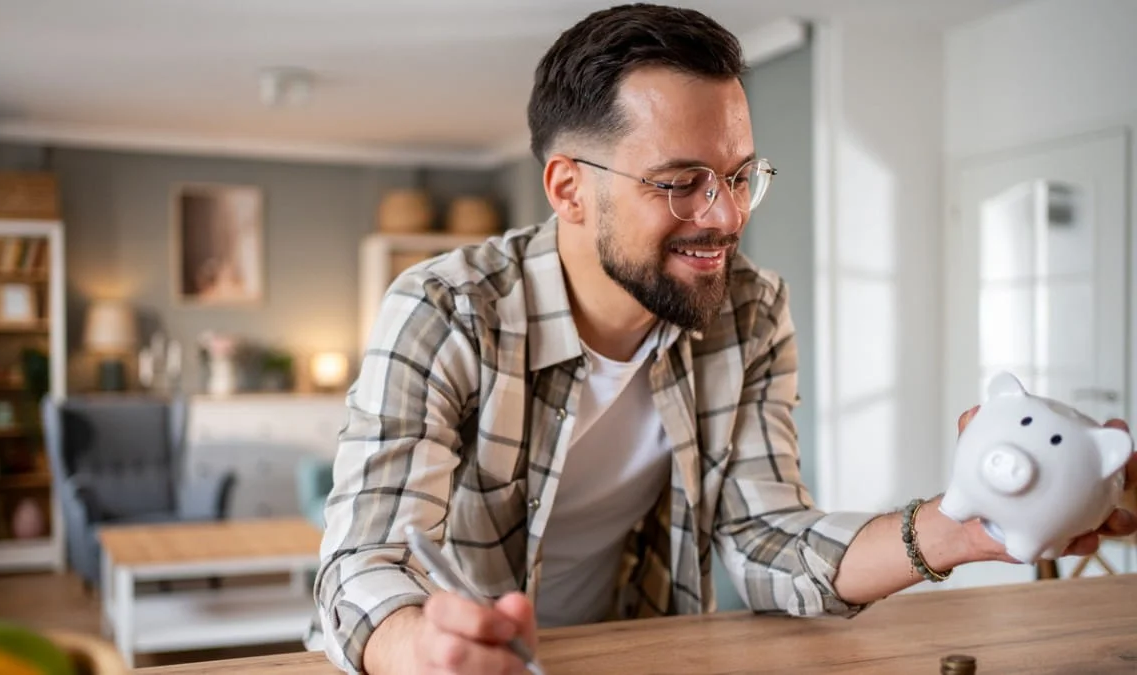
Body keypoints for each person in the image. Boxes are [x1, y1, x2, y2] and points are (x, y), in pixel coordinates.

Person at [311, 4, 1137, 674]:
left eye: (740, 175)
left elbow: (765, 534)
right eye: (680, 183)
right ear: (567, 187)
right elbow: (363, 562)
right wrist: (424, 648)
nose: (727, 216)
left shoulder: (748, 307)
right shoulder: (445, 309)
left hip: (626, 647)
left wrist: (961, 530)